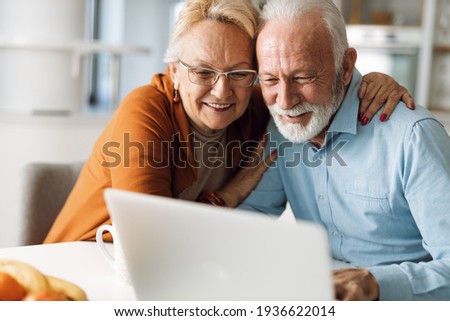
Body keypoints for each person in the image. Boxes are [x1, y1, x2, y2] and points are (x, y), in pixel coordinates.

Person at [44, 0, 412, 243]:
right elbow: (152, 240)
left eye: (239, 73)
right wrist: (235, 191)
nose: (222, 91)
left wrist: (372, 81)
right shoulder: (145, 111)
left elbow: (313, 83)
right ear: (174, 72)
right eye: (203, 71)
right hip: (84, 268)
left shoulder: (258, 104)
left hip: (176, 270)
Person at [238, 0, 450, 301]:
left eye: (303, 77)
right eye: (270, 79)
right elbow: (249, 220)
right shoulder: (283, 131)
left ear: (346, 66)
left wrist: (378, 284)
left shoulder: (412, 137)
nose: (284, 101)